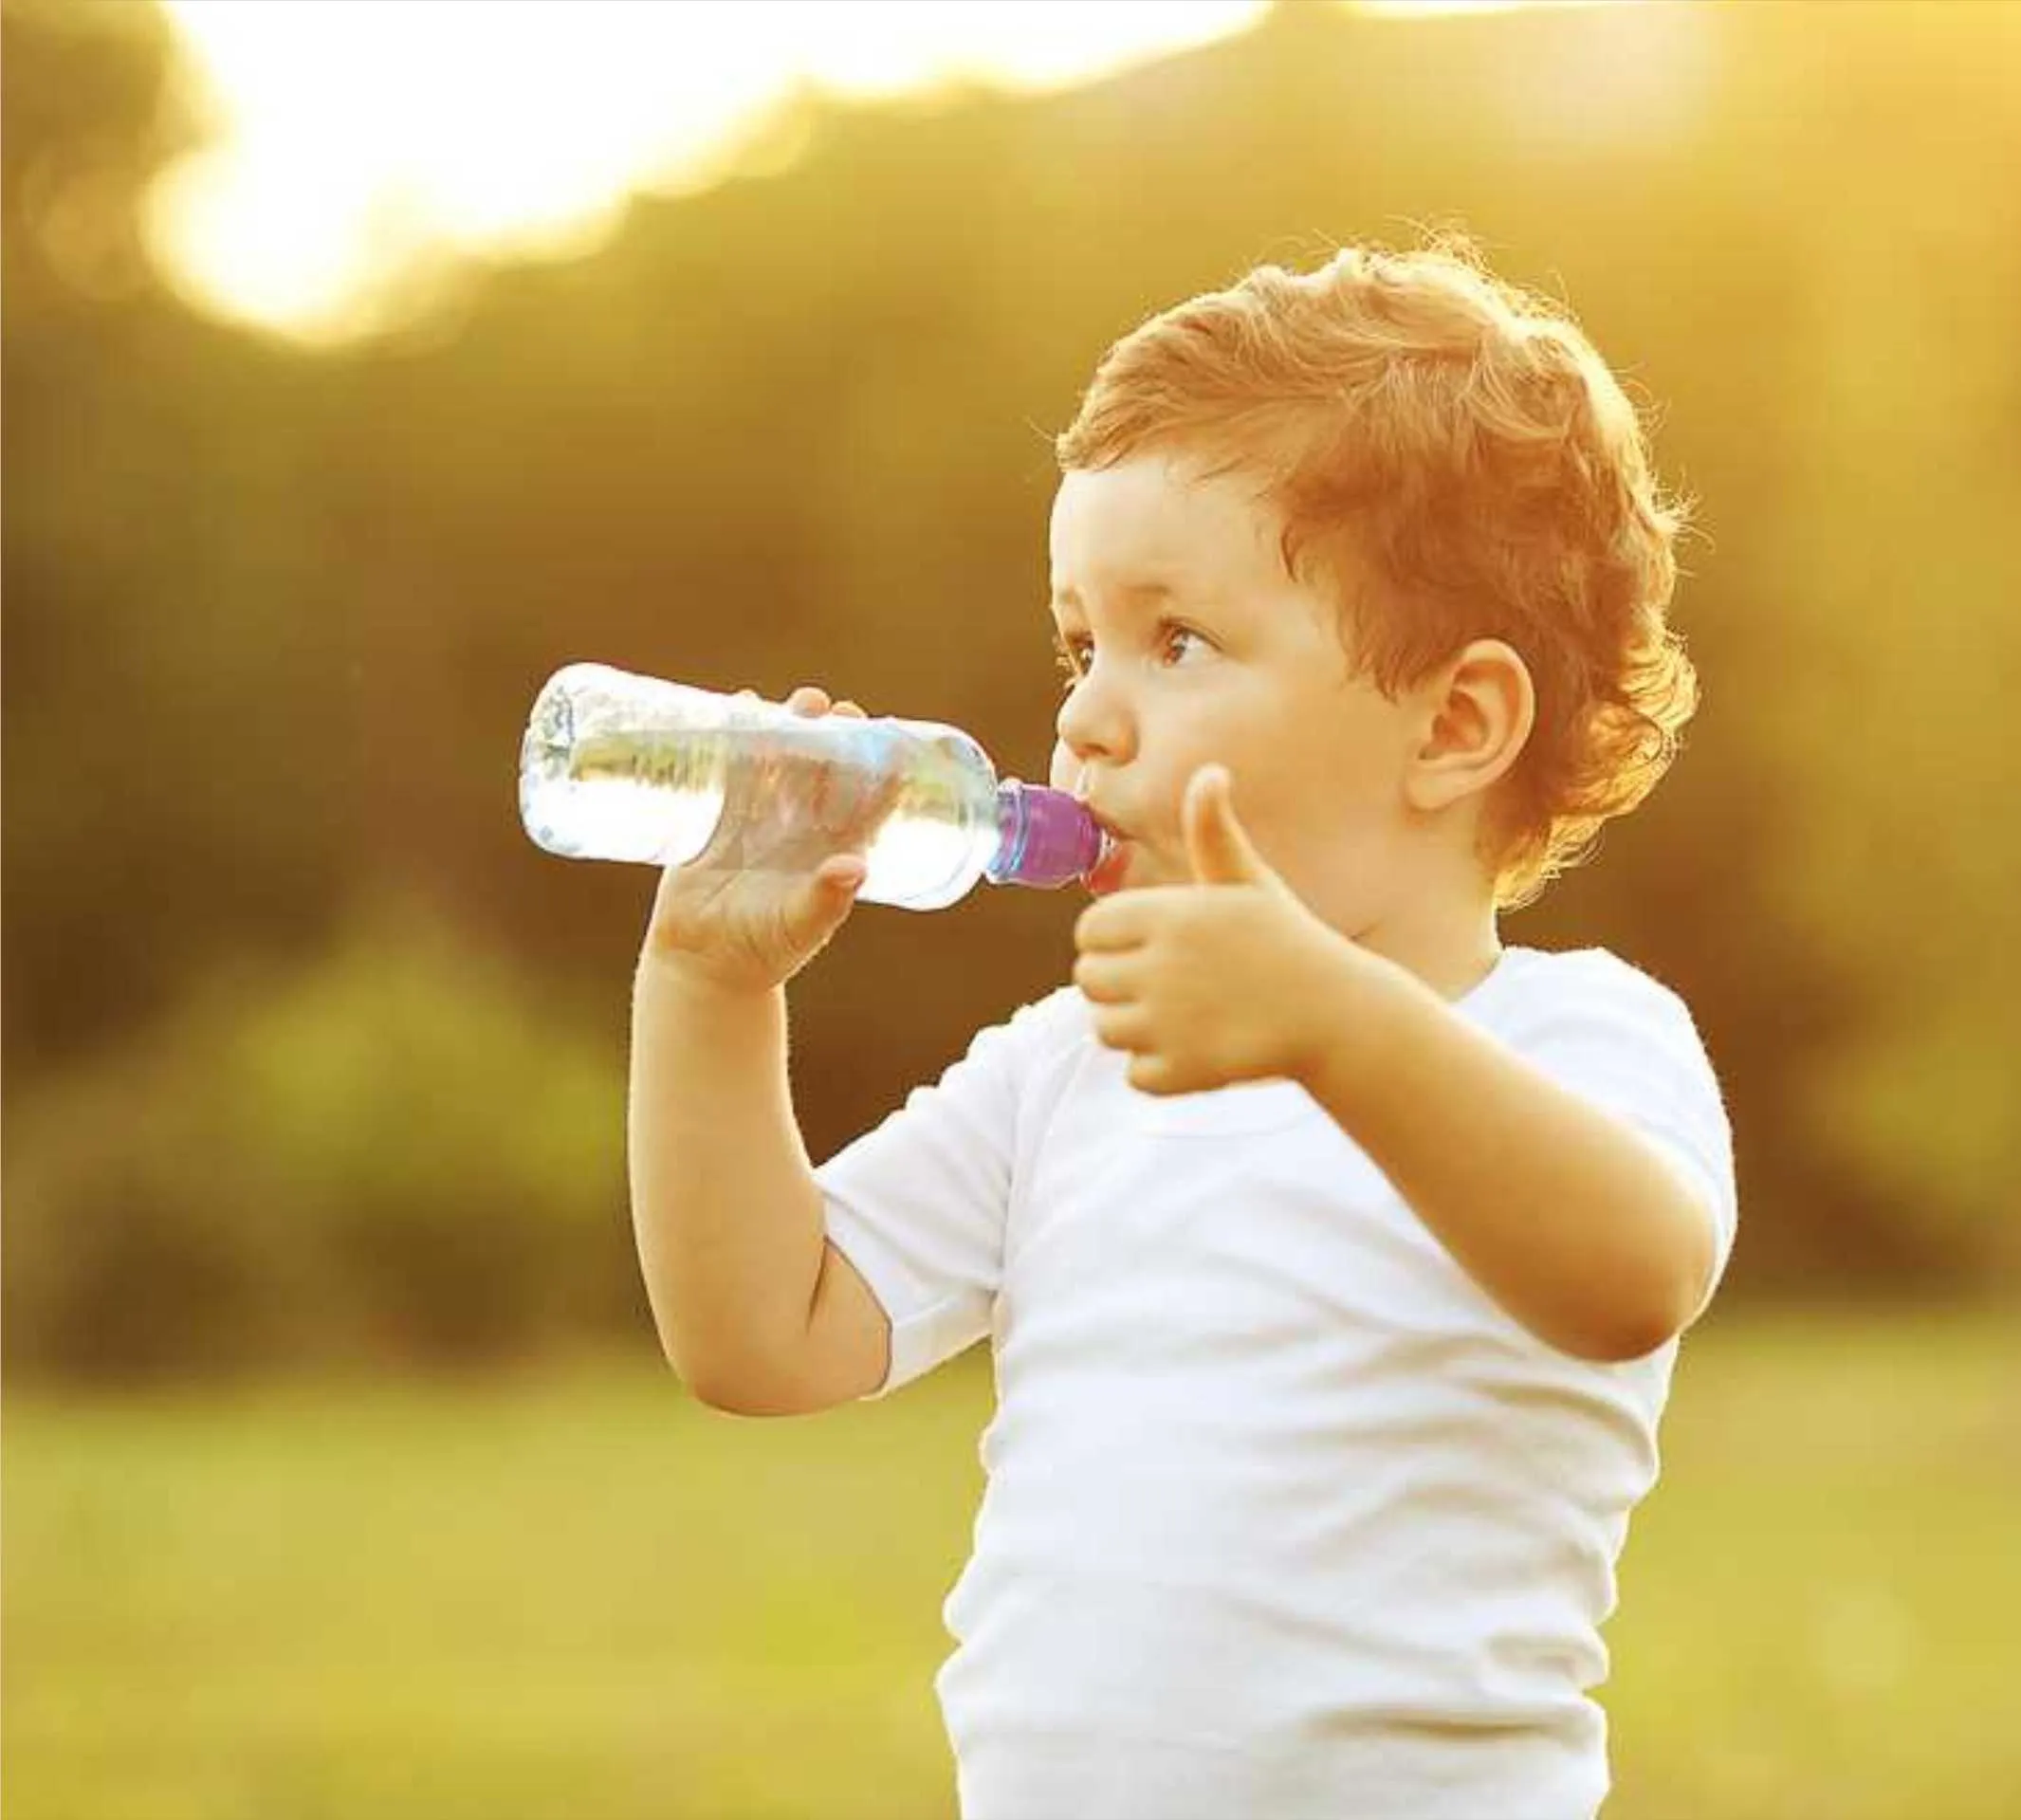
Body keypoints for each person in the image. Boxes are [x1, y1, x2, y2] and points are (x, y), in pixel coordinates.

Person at [628, 239, 1736, 1820]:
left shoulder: (1571, 1037)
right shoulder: (1072, 1060)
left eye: (1178, 642)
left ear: (1453, 725)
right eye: (1081, 643)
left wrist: (1328, 1023)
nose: (1083, 715)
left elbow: (1633, 1278)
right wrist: (710, 992)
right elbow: (764, 1335)